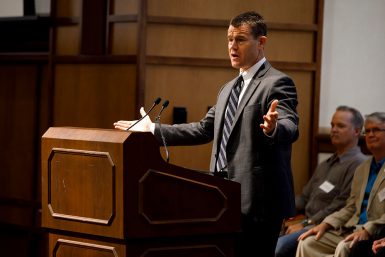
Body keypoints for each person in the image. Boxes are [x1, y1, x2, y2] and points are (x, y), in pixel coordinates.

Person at [114, 11, 299, 257]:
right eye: (229, 40)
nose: (232, 46)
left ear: (261, 42)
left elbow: (290, 124)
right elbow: (203, 129)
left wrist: (274, 128)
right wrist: (153, 130)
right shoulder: (228, 89)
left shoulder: (277, 83)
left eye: (240, 40)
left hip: (258, 203)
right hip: (221, 196)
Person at [275, 106, 367, 257]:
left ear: (357, 131)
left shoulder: (359, 165)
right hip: (304, 220)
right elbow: (304, 197)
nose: (334, 130)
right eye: (332, 125)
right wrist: (282, 210)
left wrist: (305, 224)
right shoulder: (326, 164)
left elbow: (341, 205)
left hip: (325, 226)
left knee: (278, 248)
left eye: (340, 126)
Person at [296, 112, 385, 257]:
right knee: (308, 243)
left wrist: (368, 230)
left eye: (376, 130)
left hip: (375, 232)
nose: (370, 134)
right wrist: (326, 223)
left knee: (344, 247)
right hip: (350, 227)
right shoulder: (363, 168)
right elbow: (351, 206)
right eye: (367, 131)